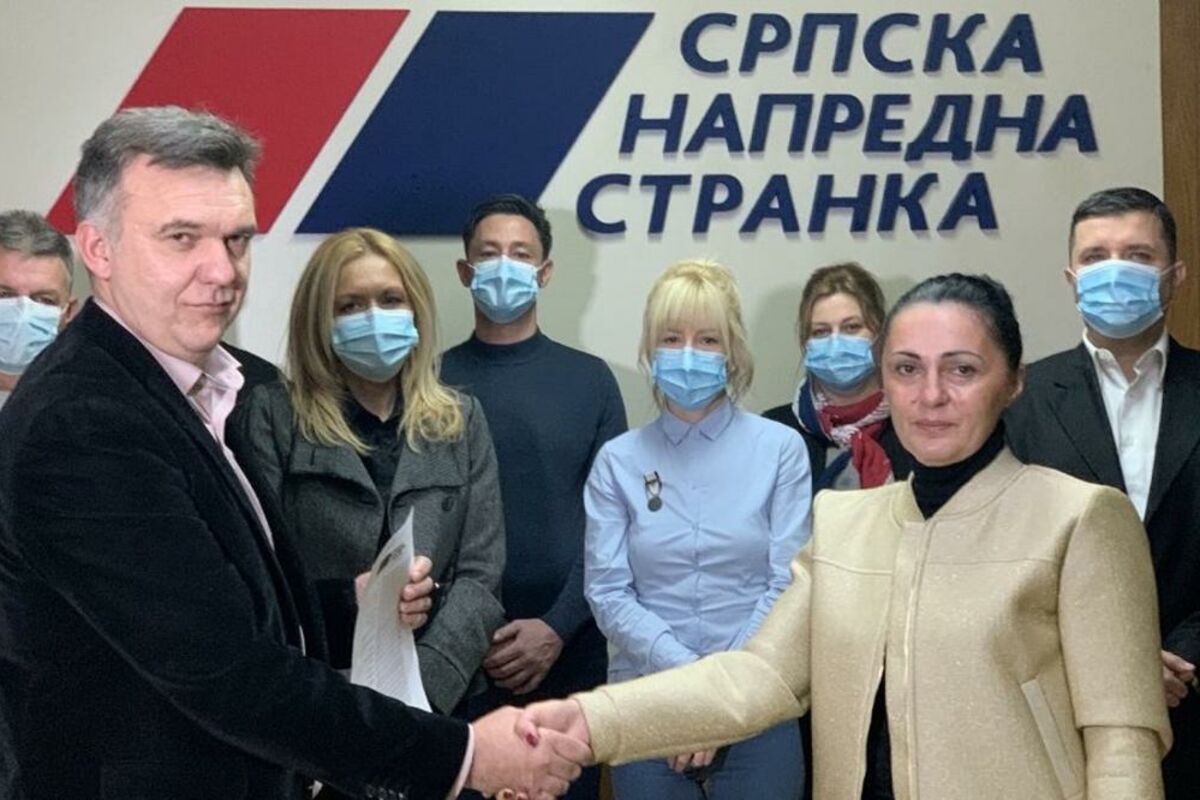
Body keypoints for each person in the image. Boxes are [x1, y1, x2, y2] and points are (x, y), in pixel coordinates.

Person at [0, 105, 583, 800]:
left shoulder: (219, 387)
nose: (221, 270)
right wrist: (463, 756)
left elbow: (229, 599)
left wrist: (351, 605)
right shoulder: (84, 421)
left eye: (237, 240)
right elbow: (225, 669)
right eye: (181, 238)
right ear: (98, 250)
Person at [521, 273, 1172, 799]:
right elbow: (757, 678)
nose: (931, 394)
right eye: (907, 369)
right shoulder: (844, 524)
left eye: (962, 370)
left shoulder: (1081, 520)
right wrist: (587, 720)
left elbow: (1123, 746)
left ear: (1014, 381)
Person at [232, 228, 506, 716]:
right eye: (350, 305)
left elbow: (481, 576)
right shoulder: (273, 416)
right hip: (323, 695)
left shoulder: (461, 419)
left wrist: (422, 694)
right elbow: (257, 574)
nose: (374, 317)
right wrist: (348, 601)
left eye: (390, 299)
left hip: (443, 698)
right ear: (320, 319)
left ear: (415, 309)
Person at [582, 259, 810, 799]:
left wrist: (721, 694)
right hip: (650, 704)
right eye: (672, 338)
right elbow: (608, 593)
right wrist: (695, 689)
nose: (688, 353)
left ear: (732, 351)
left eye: (707, 339)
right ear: (649, 348)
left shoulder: (780, 450)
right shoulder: (618, 461)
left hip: (759, 702)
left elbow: (788, 583)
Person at [1005, 186, 1200, 797]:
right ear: (1071, 278)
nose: (1115, 271)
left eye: (1138, 255)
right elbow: (1004, 558)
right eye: (1095, 257)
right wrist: (1119, 665)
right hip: (1066, 710)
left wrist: (1183, 654)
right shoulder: (1018, 400)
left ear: (1175, 276)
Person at [442, 196, 626, 800]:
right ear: (465, 271)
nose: (504, 266)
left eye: (520, 255)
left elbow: (615, 525)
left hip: (569, 649)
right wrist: (465, 633)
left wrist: (556, 626)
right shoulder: (429, 383)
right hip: (457, 659)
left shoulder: (591, 381)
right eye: (489, 253)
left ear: (545, 272)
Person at [763, 261, 912, 490]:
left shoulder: (915, 423)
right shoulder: (775, 431)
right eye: (820, 332)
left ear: (880, 334)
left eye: (852, 327)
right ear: (805, 341)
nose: (835, 343)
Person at [0, 209, 78, 411]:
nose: (23, 314)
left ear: (69, 313)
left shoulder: (94, 405)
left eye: (44, 300)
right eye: (5, 295)